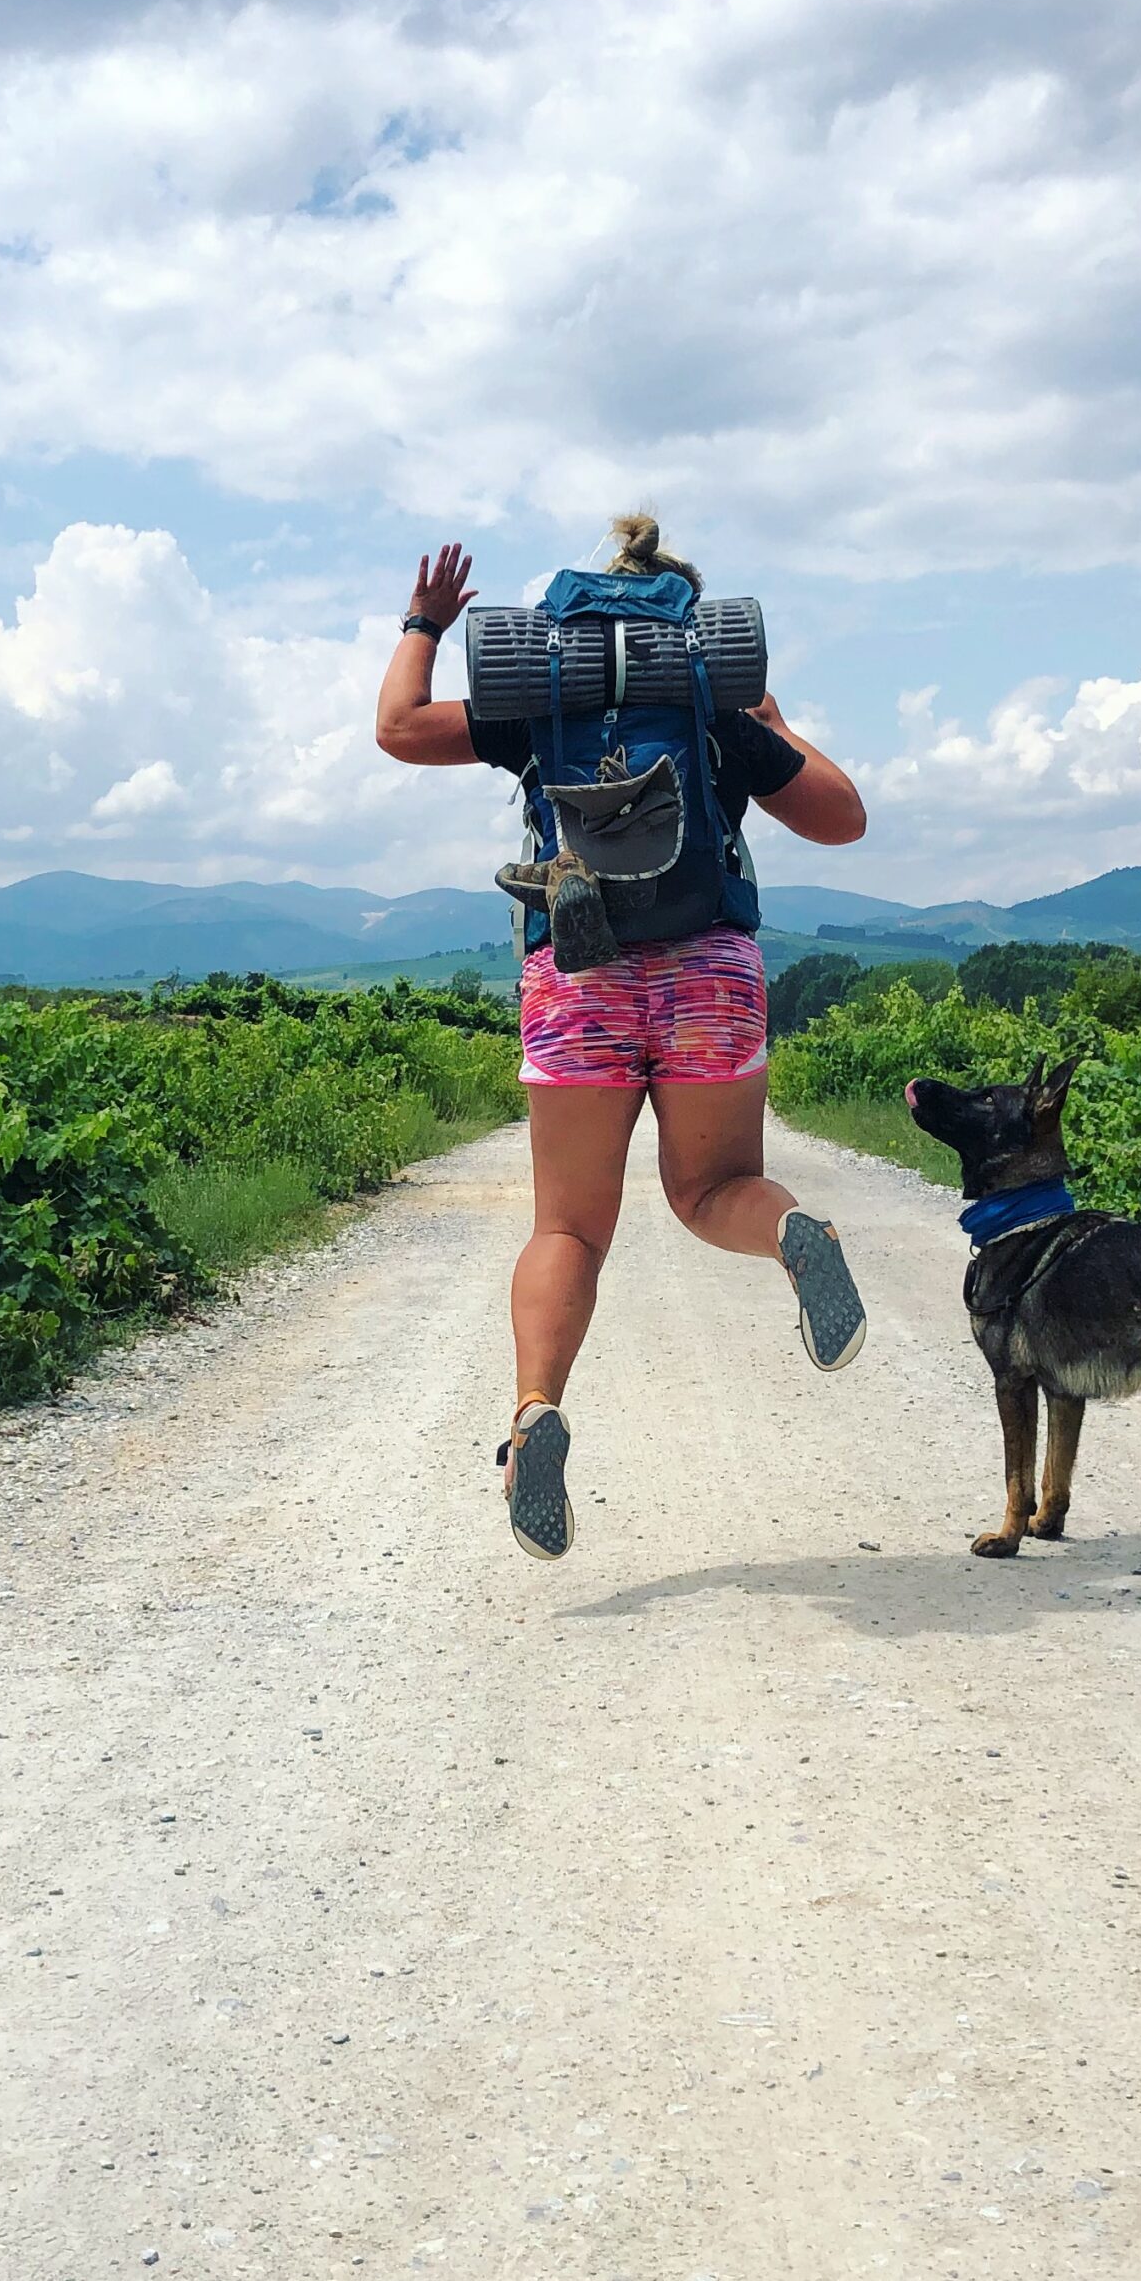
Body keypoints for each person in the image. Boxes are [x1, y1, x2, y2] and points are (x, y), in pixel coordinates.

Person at [376, 516, 872, 1558]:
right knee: (708, 1191)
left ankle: (534, 1412)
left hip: (576, 977)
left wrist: (426, 621)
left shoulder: (541, 707)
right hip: (709, 973)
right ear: (691, 627)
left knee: (569, 1229)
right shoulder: (713, 709)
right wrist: (765, 716)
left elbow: (399, 727)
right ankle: (794, 1236)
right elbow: (841, 818)